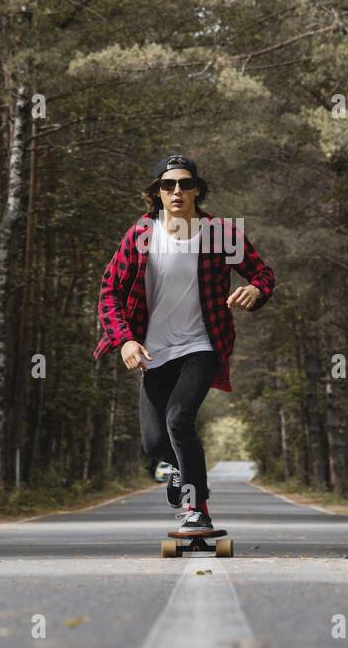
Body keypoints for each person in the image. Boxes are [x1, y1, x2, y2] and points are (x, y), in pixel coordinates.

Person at [92, 153, 275, 530]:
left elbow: (262, 272)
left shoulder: (218, 233)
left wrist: (256, 289)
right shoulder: (141, 235)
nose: (177, 191)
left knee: (179, 419)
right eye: (168, 184)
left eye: (185, 184)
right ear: (156, 192)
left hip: (201, 346)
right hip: (153, 351)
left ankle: (197, 511)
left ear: (196, 190)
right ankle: (176, 468)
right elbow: (109, 290)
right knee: (154, 442)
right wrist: (124, 341)